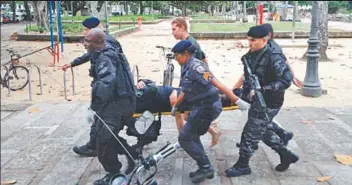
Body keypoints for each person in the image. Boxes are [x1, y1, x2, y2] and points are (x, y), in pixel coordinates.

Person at [171, 40, 250, 183]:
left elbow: (216, 83)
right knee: (191, 136)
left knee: (184, 138)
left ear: (186, 53)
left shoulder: (197, 68)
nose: (175, 58)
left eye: (177, 55)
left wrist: (236, 100)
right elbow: (185, 88)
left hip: (208, 107)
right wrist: (176, 105)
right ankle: (204, 167)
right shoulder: (185, 66)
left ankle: (206, 167)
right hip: (200, 106)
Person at [225, 25, 299, 178]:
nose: (250, 43)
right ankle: (286, 154)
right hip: (257, 99)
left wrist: (263, 89)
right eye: (248, 40)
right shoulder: (253, 54)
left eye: (253, 40)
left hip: (269, 101)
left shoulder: (273, 57)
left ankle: (242, 165)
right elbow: (249, 75)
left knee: (250, 133)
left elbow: (285, 80)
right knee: (262, 131)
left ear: (265, 39)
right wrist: (242, 92)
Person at [61, 17, 124, 157]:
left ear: (94, 29)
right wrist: (72, 63)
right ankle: (96, 144)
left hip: (110, 87)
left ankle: (94, 146)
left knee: (99, 115)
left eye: (86, 29)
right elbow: (89, 55)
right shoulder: (99, 41)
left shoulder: (108, 44)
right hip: (105, 85)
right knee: (99, 116)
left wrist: (102, 91)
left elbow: (111, 71)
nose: (84, 32)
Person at [83, 28, 138, 185]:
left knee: (103, 139)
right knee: (104, 136)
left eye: (87, 41)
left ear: (99, 42)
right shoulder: (102, 52)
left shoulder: (106, 57)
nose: (84, 44)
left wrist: (94, 106)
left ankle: (113, 174)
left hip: (117, 104)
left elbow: (106, 82)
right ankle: (131, 154)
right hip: (117, 102)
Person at [262, 23, 303, 88]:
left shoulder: (266, 49)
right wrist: (293, 77)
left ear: (269, 35)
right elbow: (286, 62)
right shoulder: (276, 47)